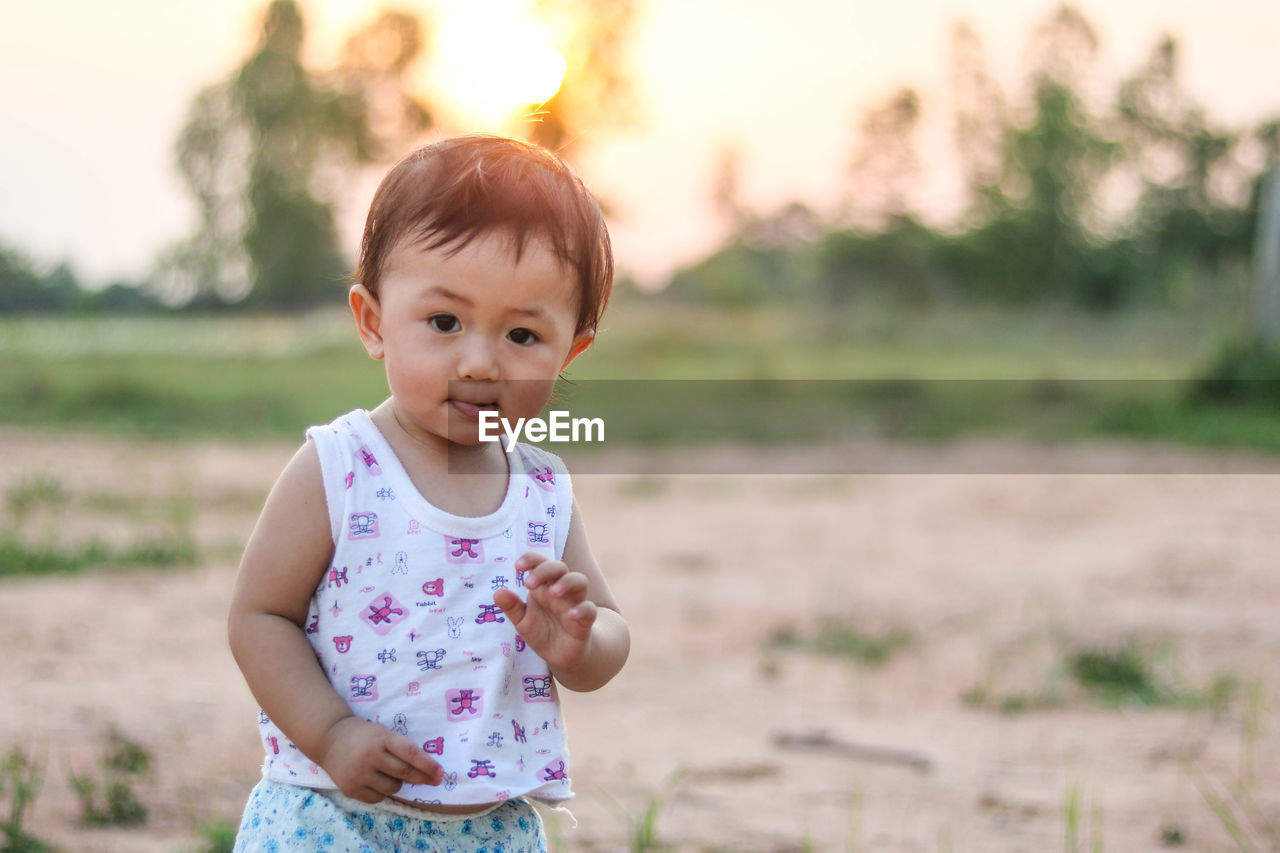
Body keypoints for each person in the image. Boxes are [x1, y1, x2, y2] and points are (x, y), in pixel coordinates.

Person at [227, 135, 630, 852]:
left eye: (523, 334)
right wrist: (333, 732)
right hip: (330, 814)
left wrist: (579, 642)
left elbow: (608, 631)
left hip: (489, 826)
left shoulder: (541, 490)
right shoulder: (340, 465)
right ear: (373, 321)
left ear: (571, 351)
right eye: (444, 322)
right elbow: (260, 615)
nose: (479, 361)